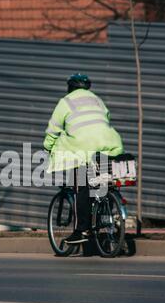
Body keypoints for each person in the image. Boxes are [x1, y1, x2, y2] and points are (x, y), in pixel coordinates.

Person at [43, 73, 123, 244]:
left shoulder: (66, 102)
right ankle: (104, 208)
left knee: (81, 185)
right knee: (100, 181)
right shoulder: (97, 100)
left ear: (70, 87)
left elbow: (53, 129)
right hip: (110, 144)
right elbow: (105, 120)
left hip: (84, 148)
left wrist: (48, 147)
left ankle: (82, 230)